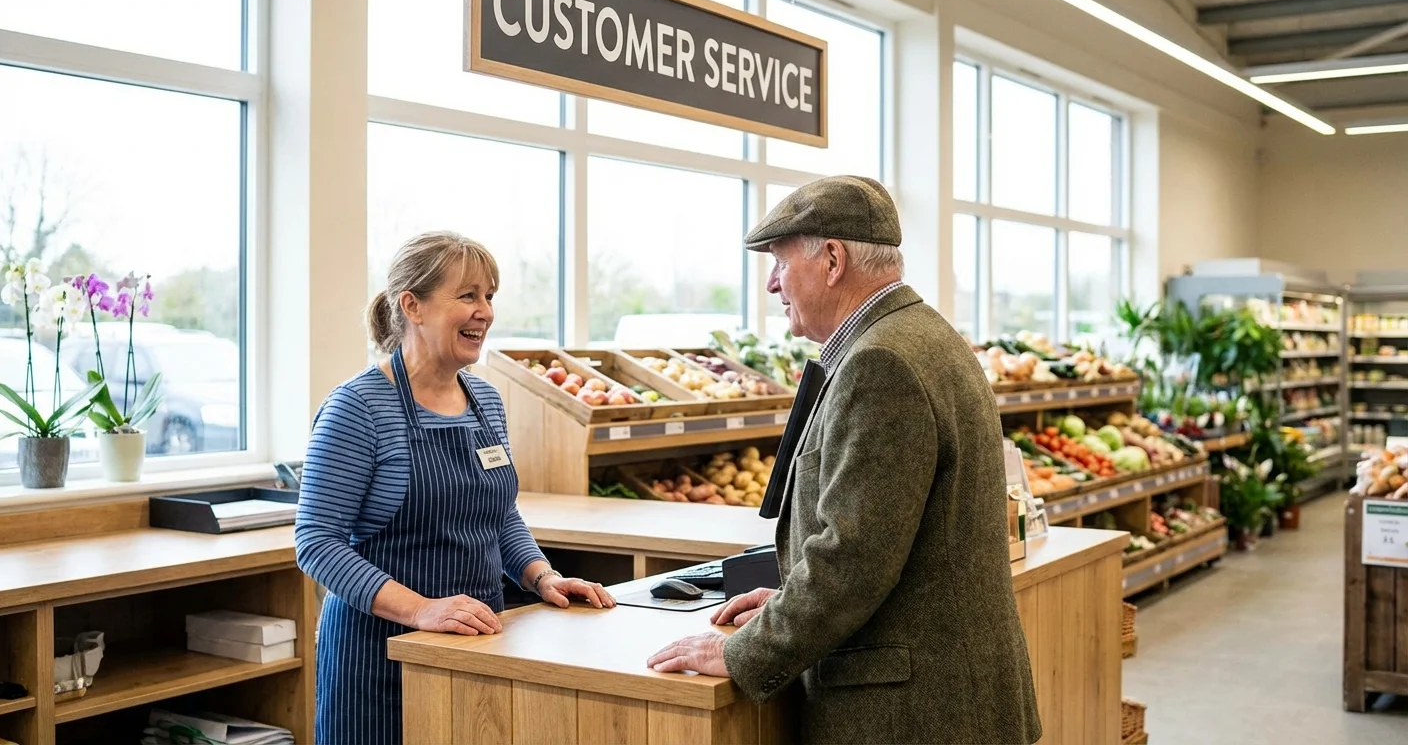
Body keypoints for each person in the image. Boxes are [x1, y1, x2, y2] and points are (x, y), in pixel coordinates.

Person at [646, 177, 1042, 744]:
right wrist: (788, 601)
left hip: (913, 715)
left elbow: (853, 558)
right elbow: (890, 533)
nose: (771, 284)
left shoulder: (880, 364)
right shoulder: (923, 336)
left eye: (781, 262)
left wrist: (746, 651)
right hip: (953, 698)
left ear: (832, 260)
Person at [295, 231, 616, 745]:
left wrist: (541, 576)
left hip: (478, 647)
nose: (485, 311)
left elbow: (498, 513)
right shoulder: (357, 409)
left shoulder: (486, 400)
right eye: (468, 295)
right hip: (378, 659)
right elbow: (316, 543)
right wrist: (422, 609)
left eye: (490, 296)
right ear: (412, 306)